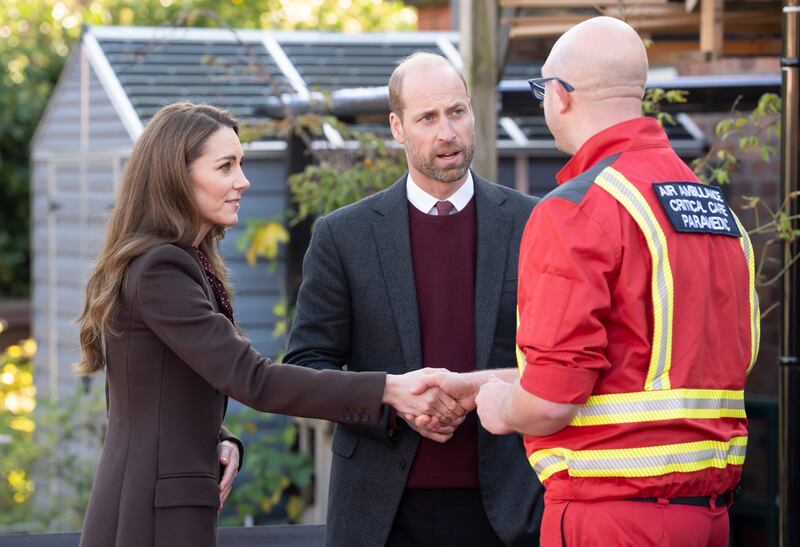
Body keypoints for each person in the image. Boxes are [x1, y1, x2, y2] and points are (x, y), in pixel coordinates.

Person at [76, 102, 468, 547]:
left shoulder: (175, 262)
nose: (243, 181)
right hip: (150, 514)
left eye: (239, 165)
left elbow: (151, 391)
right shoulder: (162, 269)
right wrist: (387, 390)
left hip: (153, 502)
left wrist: (220, 439)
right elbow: (252, 379)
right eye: (226, 166)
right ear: (176, 176)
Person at [475, 16, 760, 547]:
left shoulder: (578, 209)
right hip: (711, 516)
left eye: (542, 89)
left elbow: (551, 400)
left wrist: (499, 410)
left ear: (559, 96)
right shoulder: (712, 207)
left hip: (611, 516)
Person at [285, 52, 544, 547]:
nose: (447, 132)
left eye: (457, 112)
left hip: (511, 509)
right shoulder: (344, 236)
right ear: (398, 127)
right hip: (382, 514)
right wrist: (391, 399)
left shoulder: (533, 223)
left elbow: (558, 357)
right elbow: (307, 366)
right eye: (428, 117)